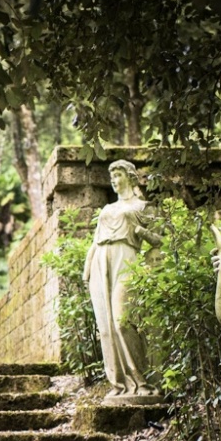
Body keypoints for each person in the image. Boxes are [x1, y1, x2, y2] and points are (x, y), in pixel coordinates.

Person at [84, 159, 162, 401]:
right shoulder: (108, 209)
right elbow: (95, 241)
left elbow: (159, 241)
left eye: (118, 175)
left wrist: (140, 231)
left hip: (127, 257)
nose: (114, 181)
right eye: (112, 177)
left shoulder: (142, 206)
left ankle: (142, 381)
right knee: (106, 327)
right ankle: (119, 385)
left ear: (130, 177)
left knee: (122, 321)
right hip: (100, 260)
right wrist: (87, 270)